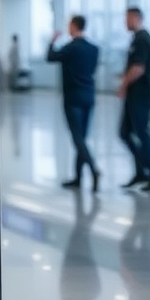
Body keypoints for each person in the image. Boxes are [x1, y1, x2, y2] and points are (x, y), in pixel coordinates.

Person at [47, 15, 100, 191]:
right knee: (82, 138)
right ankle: (78, 177)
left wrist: (52, 40)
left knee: (77, 137)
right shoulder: (93, 49)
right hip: (89, 96)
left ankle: (93, 169)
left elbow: (50, 56)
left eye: (69, 25)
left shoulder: (71, 48)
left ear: (74, 26)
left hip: (73, 98)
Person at [118, 7, 150, 192]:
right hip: (134, 94)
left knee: (141, 132)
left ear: (136, 18)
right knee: (125, 132)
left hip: (141, 95)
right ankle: (141, 171)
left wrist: (123, 85)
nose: (125, 22)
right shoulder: (137, 39)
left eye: (127, 18)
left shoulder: (142, 39)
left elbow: (139, 68)